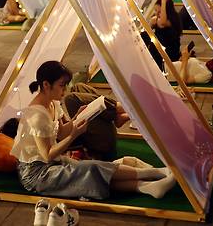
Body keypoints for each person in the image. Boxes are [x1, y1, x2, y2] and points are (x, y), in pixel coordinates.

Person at [11, 61, 176, 201]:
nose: (64, 90)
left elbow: (61, 132)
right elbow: (47, 155)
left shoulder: (53, 103)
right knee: (91, 170)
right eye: (61, 85)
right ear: (46, 85)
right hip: (36, 174)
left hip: (51, 163)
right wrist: (74, 135)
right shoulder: (37, 115)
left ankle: (147, 187)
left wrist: (77, 117)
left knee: (91, 172)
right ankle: (156, 172)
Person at [148, 0, 182, 69]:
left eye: (159, 11)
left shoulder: (171, 20)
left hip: (168, 54)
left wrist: (163, 2)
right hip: (161, 53)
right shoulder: (157, 20)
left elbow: (163, 22)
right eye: (155, 10)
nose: (156, 13)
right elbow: (148, 31)